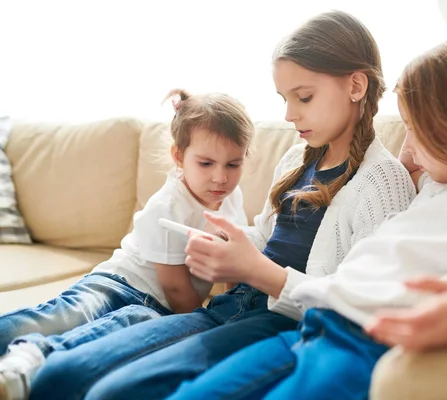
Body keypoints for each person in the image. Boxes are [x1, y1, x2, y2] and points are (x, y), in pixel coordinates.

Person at [165, 28, 447, 400]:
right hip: (315, 322)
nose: (407, 142)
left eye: (415, 127)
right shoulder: (440, 189)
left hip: (362, 341)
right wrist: (421, 159)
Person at [29, 10, 416, 400]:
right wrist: (225, 241)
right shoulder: (297, 159)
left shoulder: (382, 179)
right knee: (59, 375)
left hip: (278, 322)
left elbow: (360, 301)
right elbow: (267, 238)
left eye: (304, 97)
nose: (288, 114)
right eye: (284, 99)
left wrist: (255, 269)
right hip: (231, 304)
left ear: (355, 85)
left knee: (112, 393)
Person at [0, 89, 253, 400]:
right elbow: (174, 287)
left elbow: (231, 258)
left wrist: (230, 307)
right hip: (119, 283)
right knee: (63, 316)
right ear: (179, 157)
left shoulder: (232, 200)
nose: (220, 178)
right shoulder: (169, 205)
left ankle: (28, 364)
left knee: (111, 333)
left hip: (156, 309)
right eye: (206, 163)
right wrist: (202, 322)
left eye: (233, 165)